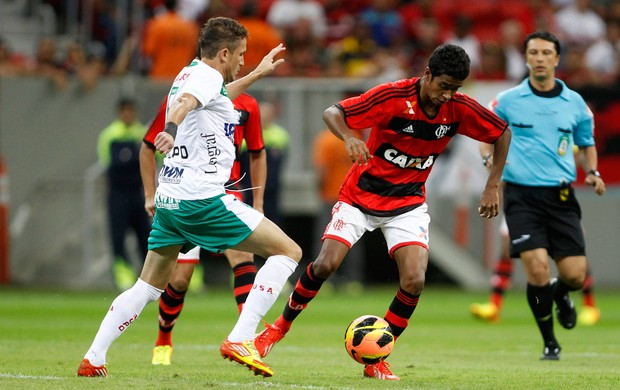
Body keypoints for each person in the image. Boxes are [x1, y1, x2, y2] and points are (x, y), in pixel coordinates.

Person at [253, 43, 512, 380]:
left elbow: (502, 132)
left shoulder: (458, 108)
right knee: (325, 264)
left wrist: (493, 183)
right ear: (427, 74)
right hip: (361, 196)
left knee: (415, 280)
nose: (448, 95)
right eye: (444, 86)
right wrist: (349, 137)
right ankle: (276, 330)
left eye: (456, 89)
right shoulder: (393, 96)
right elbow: (333, 112)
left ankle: (376, 357)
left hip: (408, 203)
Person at [77, 17, 299, 379]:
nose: (243, 61)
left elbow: (215, 95)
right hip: (203, 200)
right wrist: (169, 129)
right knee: (289, 251)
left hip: (171, 201)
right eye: (241, 55)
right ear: (223, 53)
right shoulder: (205, 79)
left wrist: (258, 73)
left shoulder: (193, 73)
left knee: (147, 286)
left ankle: (94, 357)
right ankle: (242, 337)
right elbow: (184, 104)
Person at [483, 31, 605, 361]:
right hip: (521, 197)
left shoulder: (574, 102)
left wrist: (592, 172)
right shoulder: (507, 100)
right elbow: (487, 133)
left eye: (545, 52)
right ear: (526, 58)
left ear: (556, 59)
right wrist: (489, 163)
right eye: (533, 52)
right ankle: (550, 342)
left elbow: (587, 143)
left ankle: (561, 292)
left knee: (575, 275)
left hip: (562, 197)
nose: (539, 58)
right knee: (536, 268)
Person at [140, 91, 267, 366]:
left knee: (243, 259)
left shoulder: (246, 104)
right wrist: (150, 195)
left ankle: (245, 338)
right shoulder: (180, 97)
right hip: (187, 195)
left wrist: (258, 202)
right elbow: (148, 145)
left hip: (228, 193)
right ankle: (163, 338)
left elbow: (257, 152)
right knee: (180, 279)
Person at [97, 97, 151, 290]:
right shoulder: (110, 135)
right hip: (118, 194)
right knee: (117, 237)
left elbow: (155, 158)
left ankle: (147, 278)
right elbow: (109, 163)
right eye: (125, 111)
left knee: (145, 236)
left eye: (131, 111)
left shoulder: (142, 132)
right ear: (120, 113)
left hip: (139, 194)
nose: (128, 115)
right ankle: (124, 276)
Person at [141, 0, 199, 79]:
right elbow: (194, 53)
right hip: (183, 79)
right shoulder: (190, 26)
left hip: (160, 77)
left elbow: (149, 53)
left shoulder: (156, 24)